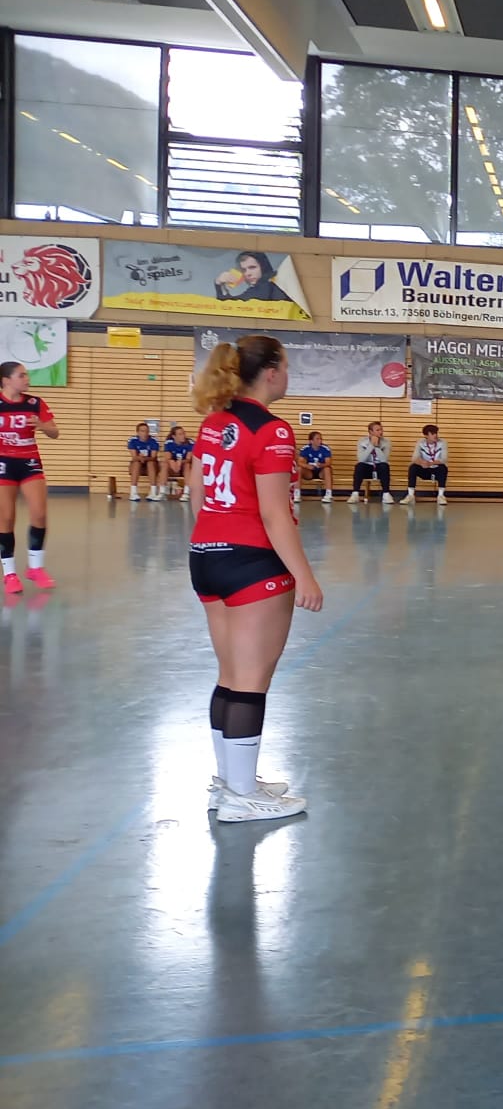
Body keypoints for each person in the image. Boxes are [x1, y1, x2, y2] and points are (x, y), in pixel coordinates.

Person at [187, 334, 321, 823]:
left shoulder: (214, 421)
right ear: (270, 372)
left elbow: (196, 491)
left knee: (230, 675)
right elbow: (273, 513)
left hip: (206, 555)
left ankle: (230, 783)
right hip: (253, 562)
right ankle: (241, 796)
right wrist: (304, 576)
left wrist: (217, 538)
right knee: (251, 680)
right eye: (286, 366)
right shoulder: (273, 430)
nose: (288, 375)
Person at [0, 360, 58, 595]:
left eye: (26, 375)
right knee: (6, 518)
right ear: (6, 380)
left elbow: (55, 432)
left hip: (29, 462)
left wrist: (42, 425)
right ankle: (9, 573)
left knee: (39, 514)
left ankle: (35, 568)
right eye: (21, 375)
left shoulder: (35, 403)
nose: (27, 379)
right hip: (3, 463)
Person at [213, 250, 295, 305]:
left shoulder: (269, 283)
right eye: (244, 270)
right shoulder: (264, 285)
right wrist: (220, 283)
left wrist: (219, 284)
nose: (247, 273)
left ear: (263, 267)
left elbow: (232, 306)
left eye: (252, 267)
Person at [406, 424, 449, 505]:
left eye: (436, 433)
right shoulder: (420, 443)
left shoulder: (443, 442)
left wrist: (431, 463)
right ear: (426, 435)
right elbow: (414, 458)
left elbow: (444, 459)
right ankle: (410, 495)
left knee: (443, 468)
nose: (435, 435)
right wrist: (422, 463)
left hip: (436, 470)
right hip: (425, 469)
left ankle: (441, 496)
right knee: (413, 467)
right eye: (432, 433)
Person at [350, 422, 393, 504]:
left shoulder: (386, 442)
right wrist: (371, 445)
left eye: (381, 429)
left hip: (379, 468)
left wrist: (376, 446)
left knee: (385, 466)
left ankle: (386, 494)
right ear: (370, 432)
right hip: (367, 468)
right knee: (359, 466)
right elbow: (361, 459)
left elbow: (384, 460)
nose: (381, 432)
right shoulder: (362, 441)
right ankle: (355, 494)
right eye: (378, 430)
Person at [127, 420, 163, 502]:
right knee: (136, 463)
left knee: (150, 463)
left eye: (147, 431)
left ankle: (153, 492)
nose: (145, 433)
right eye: (142, 431)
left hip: (151, 465)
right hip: (138, 464)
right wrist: (140, 458)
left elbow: (153, 457)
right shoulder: (132, 440)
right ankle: (133, 492)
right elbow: (134, 457)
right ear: (138, 432)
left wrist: (144, 458)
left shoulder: (154, 440)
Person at [298, 429, 335, 504]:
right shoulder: (305, 448)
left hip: (321, 472)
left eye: (320, 438)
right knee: (299, 469)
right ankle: (296, 494)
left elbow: (328, 462)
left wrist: (322, 465)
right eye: (317, 439)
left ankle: (328, 495)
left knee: (327, 469)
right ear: (311, 441)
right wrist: (307, 466)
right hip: (309, 472)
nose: (320, 440)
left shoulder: (325, 448)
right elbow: (299, 462)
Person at [162, 424, 196, 502]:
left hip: (184, 466)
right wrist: (172, 462)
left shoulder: (190, 443)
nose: (183, 435)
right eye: (180, 434)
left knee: (187, 465)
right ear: (174, 436)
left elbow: (188, 459)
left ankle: (186, 493)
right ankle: (162, 492)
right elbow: (168, 457)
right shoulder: (169, 443)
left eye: (183, 433)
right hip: (173, 466)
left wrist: (180, 462)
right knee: (164, 464)